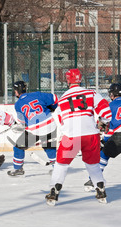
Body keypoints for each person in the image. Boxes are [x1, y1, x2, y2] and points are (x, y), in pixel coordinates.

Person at [46, 68, 112, 206]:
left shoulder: (63, 98)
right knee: (92, 163)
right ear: (80, 79)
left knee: (61, 164)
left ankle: (54, 190)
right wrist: (103, 123)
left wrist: (68, 131)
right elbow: (106, 111)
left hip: (71, 136)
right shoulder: (91, 93)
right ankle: (100, 188)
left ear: (67, 80)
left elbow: (60, 121)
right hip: (91, 135)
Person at [7, 80, 58, 176]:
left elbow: (23, 123)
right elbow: (55, 99)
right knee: (49, 147)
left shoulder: (18, 105)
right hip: (50, 125)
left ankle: (18, 169)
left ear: (17, 91)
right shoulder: (37, 94)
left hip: (35, 130)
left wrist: (24, 125)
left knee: (18, 147)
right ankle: (58, 168)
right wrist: (52, 107)